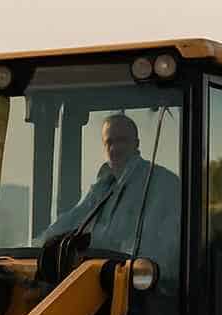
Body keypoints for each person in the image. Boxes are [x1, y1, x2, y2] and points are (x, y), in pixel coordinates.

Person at [38, 113, 180, 277]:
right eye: (109, 142)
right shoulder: (102, 188)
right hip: (98, 279)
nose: (114, 148)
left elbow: (161, 251)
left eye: (122, 141)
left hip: (139, 286)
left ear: (136, 144)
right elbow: (72, 220)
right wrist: (36, 247)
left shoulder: (162, 184)